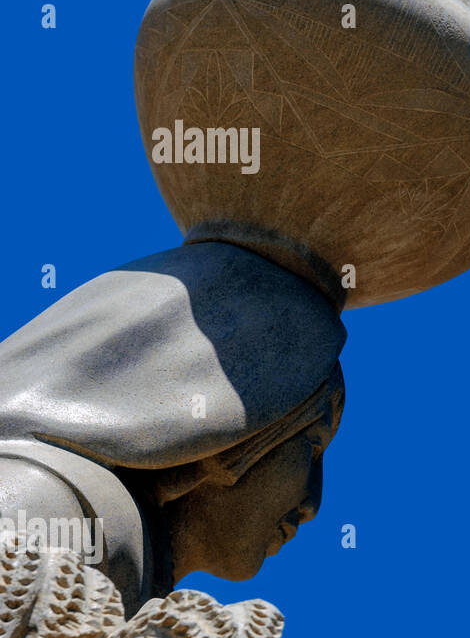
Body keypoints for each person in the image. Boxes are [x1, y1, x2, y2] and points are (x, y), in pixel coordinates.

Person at [0, 242, 344, 616]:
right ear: (241, 431)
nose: (312, 503)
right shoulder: (43, 503)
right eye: (312, 446)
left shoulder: (126, 552)